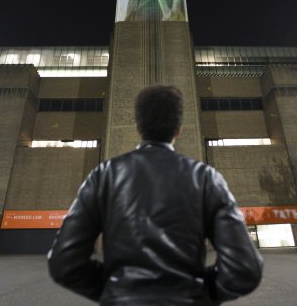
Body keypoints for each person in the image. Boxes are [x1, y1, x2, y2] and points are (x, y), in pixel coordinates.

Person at [48, 85, 263, 305]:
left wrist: (116, 291)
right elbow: (245, 268)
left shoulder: (104, 176)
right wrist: (197, 292)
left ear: (138, 127)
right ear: (178, 129)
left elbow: (64, 262)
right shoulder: (206, 178)